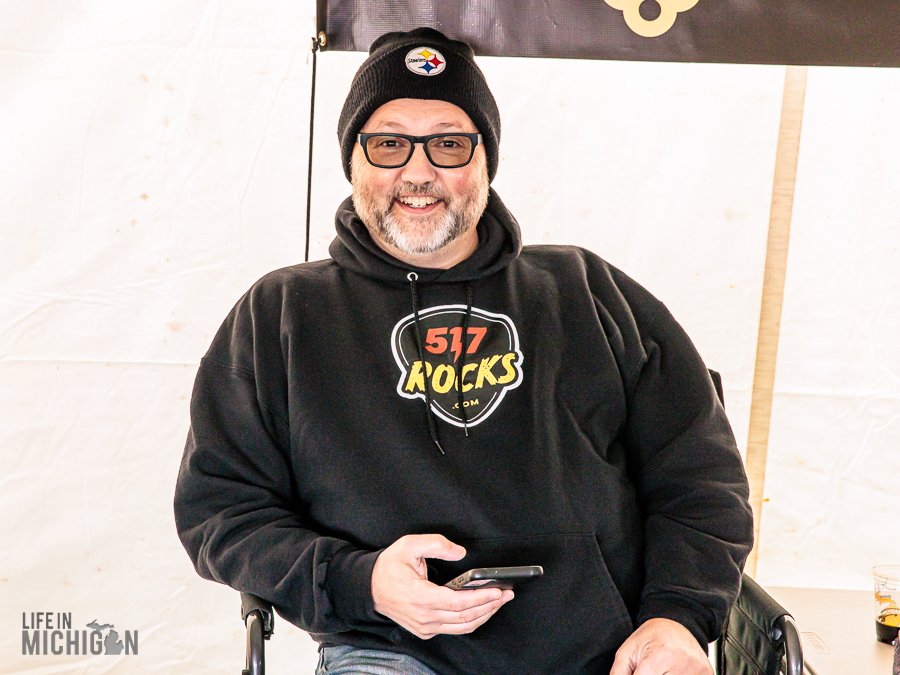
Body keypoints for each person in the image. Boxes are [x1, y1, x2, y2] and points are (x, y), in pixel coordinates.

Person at [174, 27, 754, 675]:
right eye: (389, 143)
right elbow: (222, 509)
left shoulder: (588, 291)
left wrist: (675, 619)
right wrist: (361, 581)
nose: (419, 172)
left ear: (485, 160)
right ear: (354, 160)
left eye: (449, 143)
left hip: (603, 653)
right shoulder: (280, 314)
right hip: (387, 648)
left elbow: (698, 477)